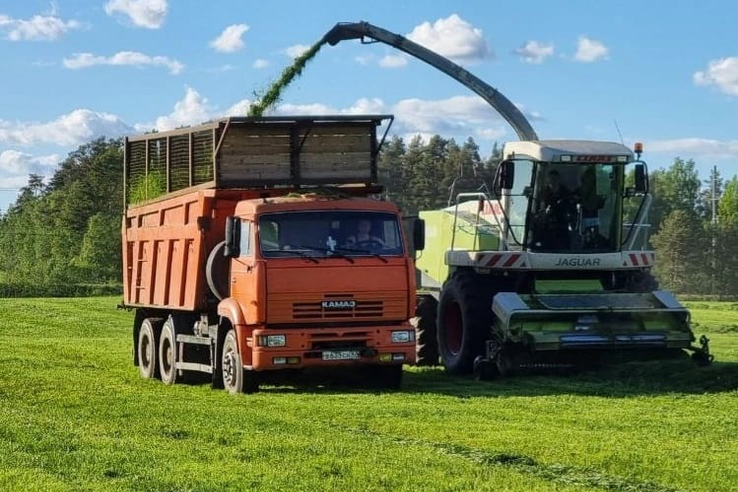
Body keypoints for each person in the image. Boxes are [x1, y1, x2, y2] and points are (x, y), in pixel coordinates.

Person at [532, 169, 573, 250]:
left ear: (559, 179)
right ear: (548, 179)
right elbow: (539, 207)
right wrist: (545, 212)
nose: (553, 181)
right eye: (551, 178)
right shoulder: (543, 192)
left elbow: (570, 207)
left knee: (563, 246)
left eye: (555, 178)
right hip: (546, 226)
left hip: (562, 224)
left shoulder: (565, 192)